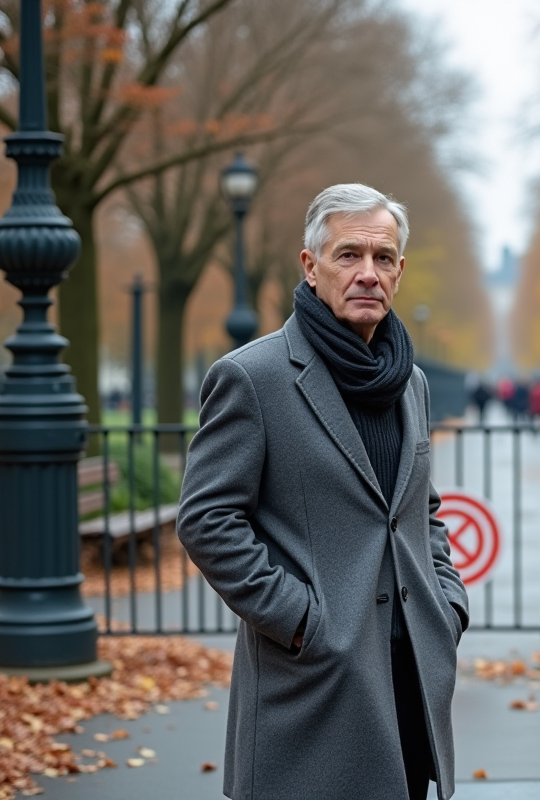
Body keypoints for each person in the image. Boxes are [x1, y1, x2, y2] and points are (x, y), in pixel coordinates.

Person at [178, 184, 468, 800]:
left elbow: (420, 510)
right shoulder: (252, 378)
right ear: (311, 267)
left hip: (412, 673)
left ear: (399, 271)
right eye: (348, 255)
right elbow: (207, 520)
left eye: (383, 258)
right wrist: (303, 621)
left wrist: (448, 602)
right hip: (310, 684)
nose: (368, 273)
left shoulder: (408, 381)